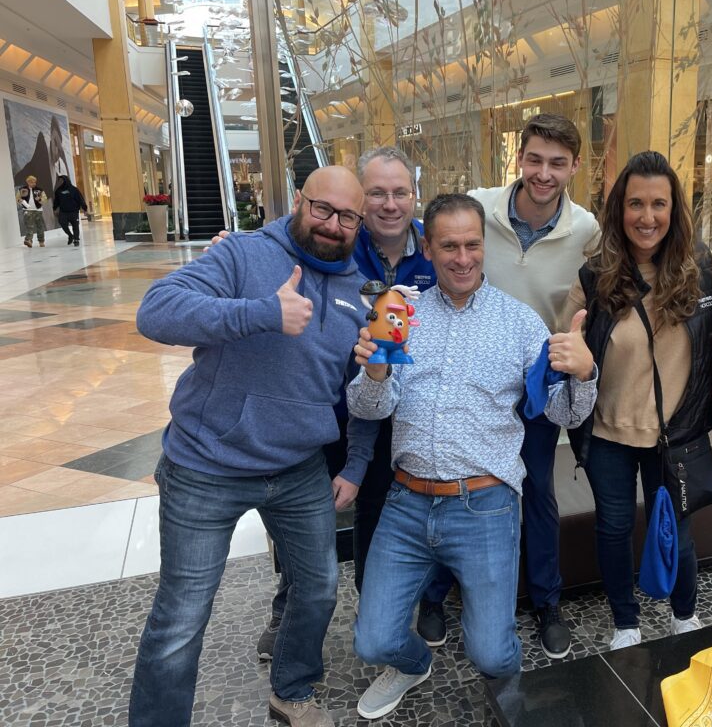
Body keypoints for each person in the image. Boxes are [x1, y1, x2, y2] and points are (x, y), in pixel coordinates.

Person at [129, 166, 368, 727]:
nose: (333, 225)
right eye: (322, 209)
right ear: (298, 202)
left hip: (297, 465)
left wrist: (358, 451)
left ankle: (292, 690)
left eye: (347, 216)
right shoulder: (241, 254)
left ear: (360, 222)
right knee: (182, 617)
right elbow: (155, 312)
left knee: (318, 586)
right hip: (205, 465)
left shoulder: (361, 293)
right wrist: (259, 313)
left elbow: (361, 391)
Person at [347, 193, 597, 720]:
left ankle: (507, 702)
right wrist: (374, 373)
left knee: (491, 651)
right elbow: (372, 407)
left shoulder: (520, 323)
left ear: (484, 246)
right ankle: (414, 664)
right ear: (428, 247)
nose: (463, 258)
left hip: (485, 505)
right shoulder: (400, 313)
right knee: (372, 642)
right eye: (449, 246)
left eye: (472, 245)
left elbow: (564, 415)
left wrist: (583, 374)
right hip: (406, 501)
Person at [252, 147, 442, 663]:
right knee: (303, 513)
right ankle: (288, 605)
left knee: (381, 509)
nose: (388, 204)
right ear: (360, 200)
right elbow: (275, 241)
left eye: (399, 192)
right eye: (376, 193)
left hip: (400, 415)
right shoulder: (332, 242)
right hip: (326, 411)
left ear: (413, 196)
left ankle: (399, 603)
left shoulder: (434, 248)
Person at [562, 151, 712, 650]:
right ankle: (625, 624)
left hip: (676, 435)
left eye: (658, 204)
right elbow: (567, 350)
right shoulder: (594, 278)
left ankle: (683, 614)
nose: (647, 217)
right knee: (612, 529)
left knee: (676, 525)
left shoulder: (703, 269)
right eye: (635, 203)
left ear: (674, 210)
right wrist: (571, 355)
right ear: (618, 210)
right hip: (609, 432)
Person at [457, 112, 600, 659]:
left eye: (557, 164)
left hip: (539, 384)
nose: (544, 173)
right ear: (521, 157)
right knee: (466, 482)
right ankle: (444, 594)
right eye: (535, 159)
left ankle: (547, 603)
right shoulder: (480, 206)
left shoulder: (585, 230)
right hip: (476, 380)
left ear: (575, 168)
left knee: (538, 490)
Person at [52, 174, 88, 246]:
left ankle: (76, 239)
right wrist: (54, 208)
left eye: (61, 180)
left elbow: (80, 199)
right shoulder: (58, 191)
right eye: (59, 180)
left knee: (75, 226)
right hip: (63, 212)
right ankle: (70, 235)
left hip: (73, 211)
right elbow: (56, 201)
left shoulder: (74, 189)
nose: (60, 182)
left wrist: (84, 208)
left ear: (65, 180)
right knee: (62, 223)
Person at [17, 175, 47, 248]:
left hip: (38, 210)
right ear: (28, 182)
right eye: (32, 182)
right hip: (27, 210)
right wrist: (22, 202)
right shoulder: (22, 189)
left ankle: (41, 241)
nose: (34, 183)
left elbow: (45, 200)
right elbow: (18, 198)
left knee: (40, 226)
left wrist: (39, 200)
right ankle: (28, 240)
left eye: (34, 182)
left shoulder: (39, 190)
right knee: (29, 226)